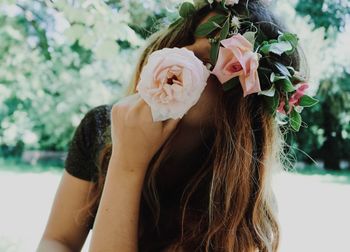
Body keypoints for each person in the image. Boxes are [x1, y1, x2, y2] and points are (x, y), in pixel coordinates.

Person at [37, 0, 308, 251]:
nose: (177, 56)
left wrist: (128, 167)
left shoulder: (239, 203)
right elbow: (58, 240)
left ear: (239, 103)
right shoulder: (101, 128)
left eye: (205, 60)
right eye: (178, 43)